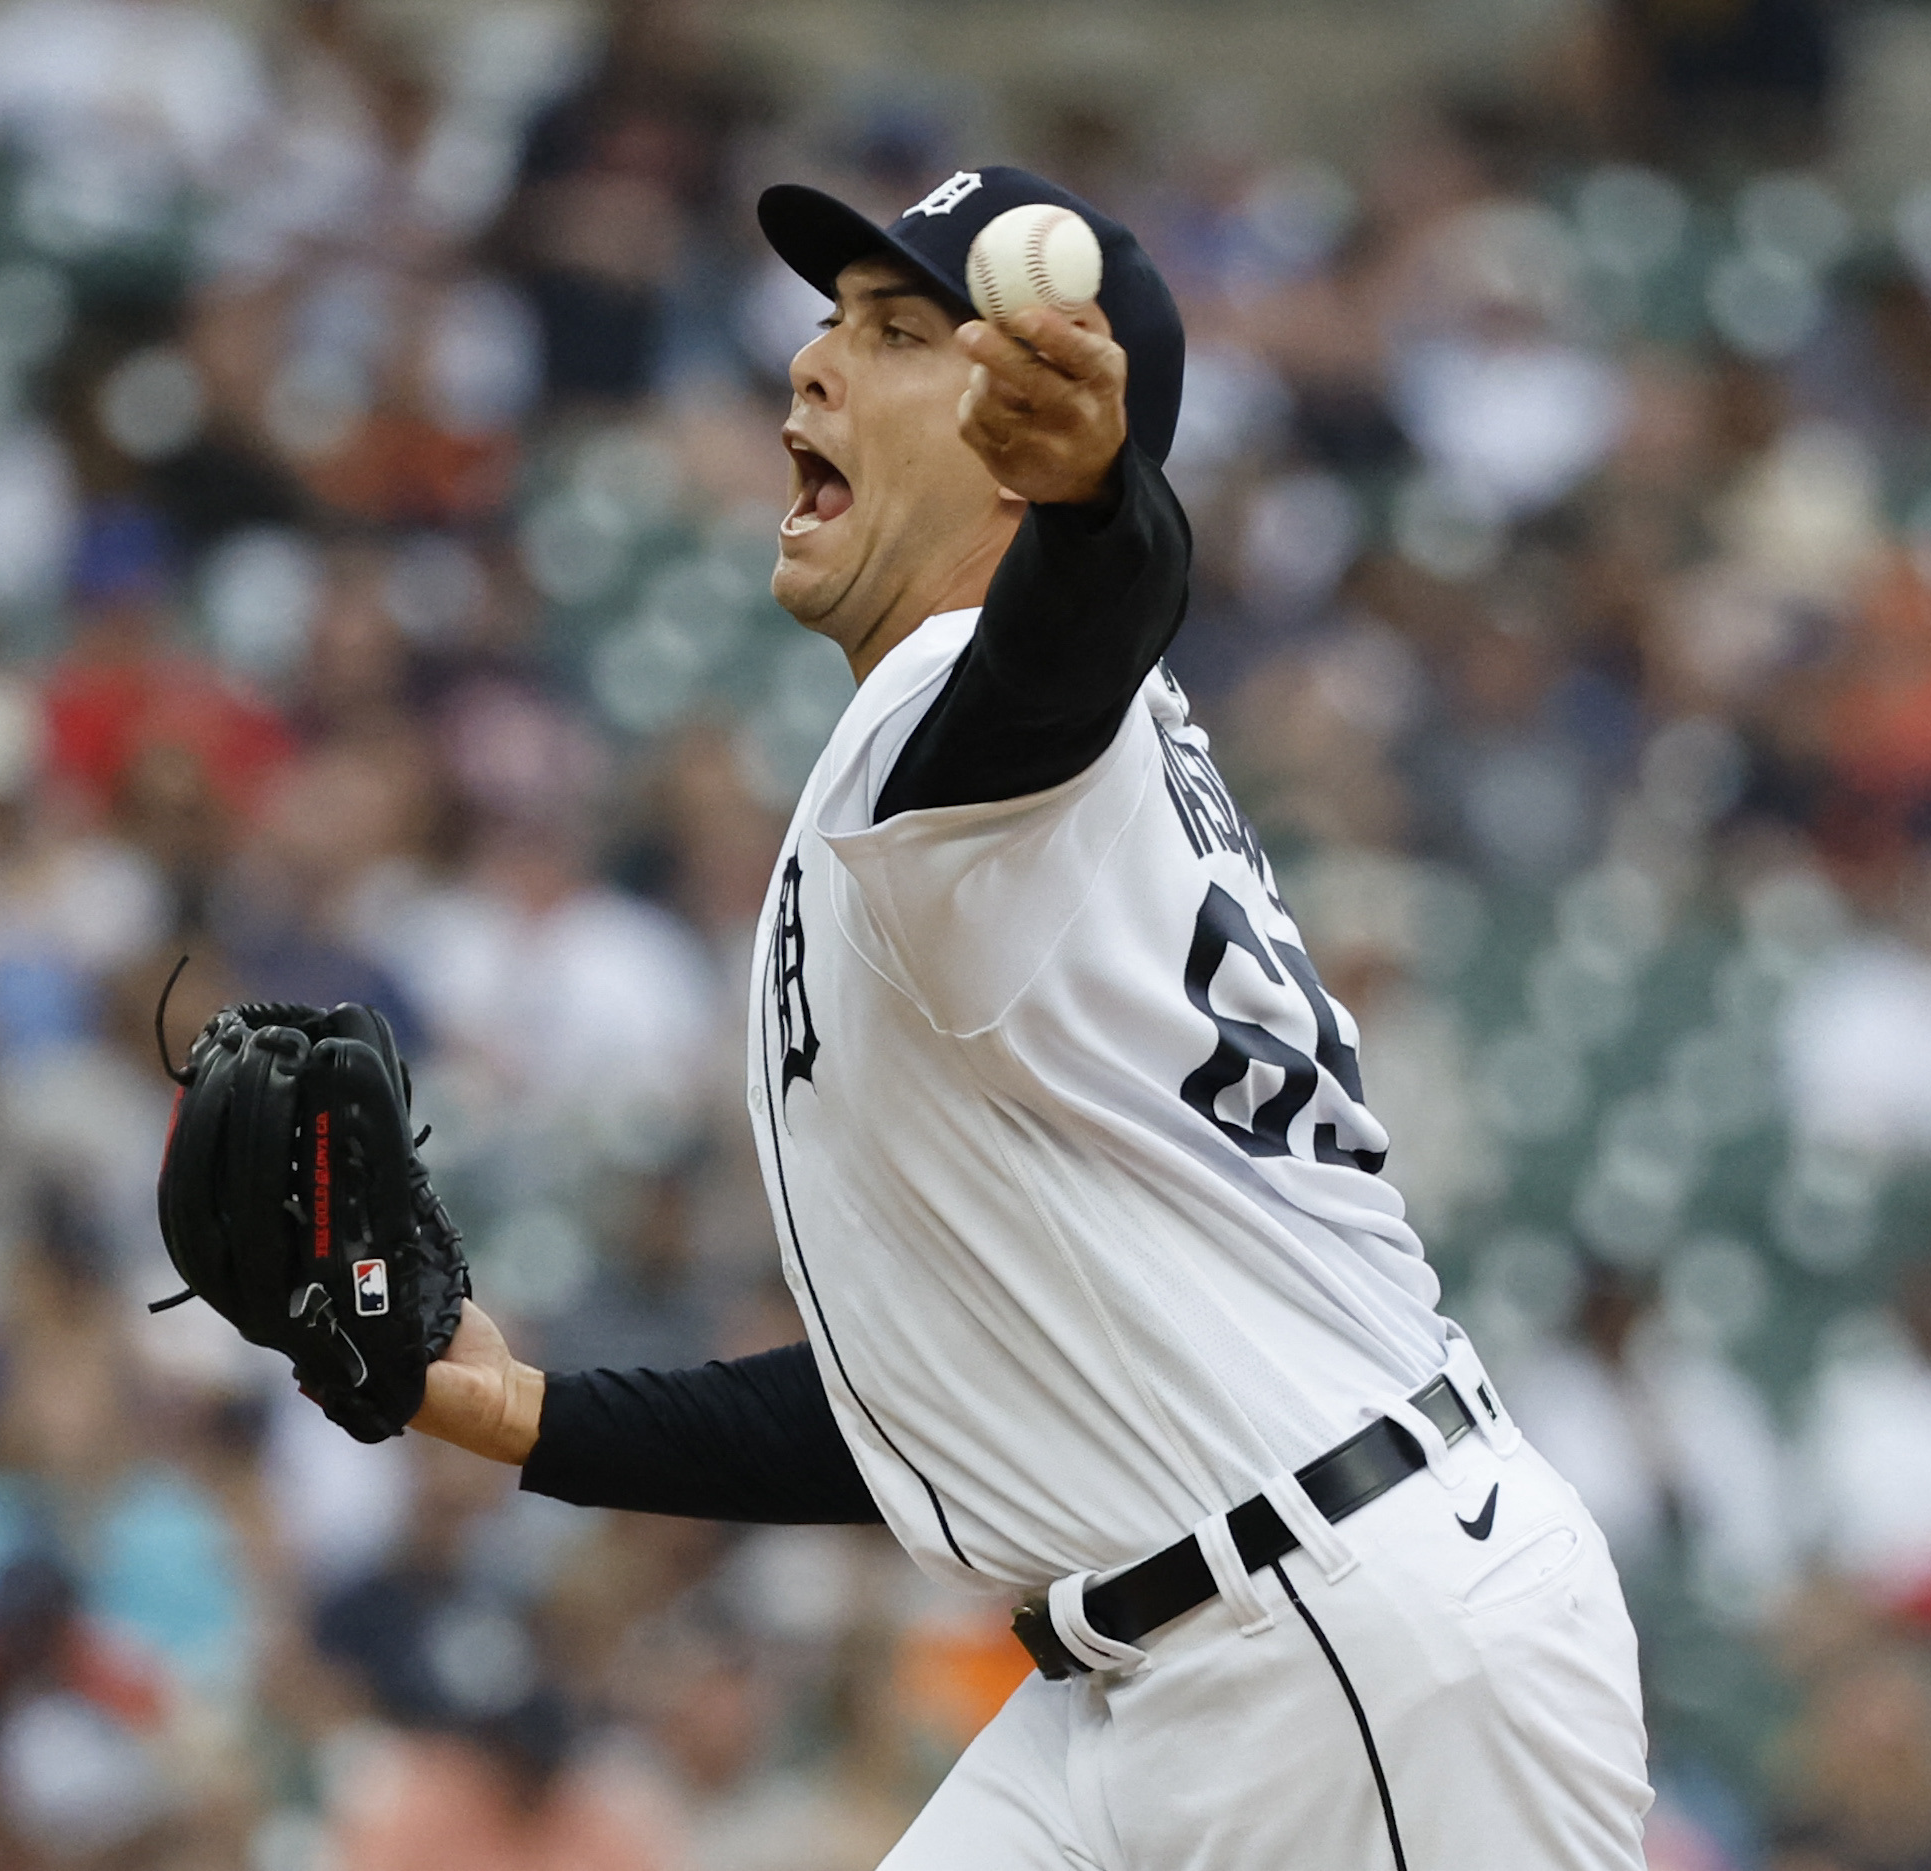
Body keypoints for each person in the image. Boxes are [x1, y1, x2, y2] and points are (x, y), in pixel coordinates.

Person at [396, 166, 1653, 1868]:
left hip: (1359, 1661)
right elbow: (939, 1397)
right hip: (1175, 1649)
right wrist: (525, 1410)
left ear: (1034, 421)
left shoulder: (987, 724)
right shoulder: (991, 787)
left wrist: (1100, 510)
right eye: (830, 322)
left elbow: (1078, 633)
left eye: (901, 332)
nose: (814, 367)